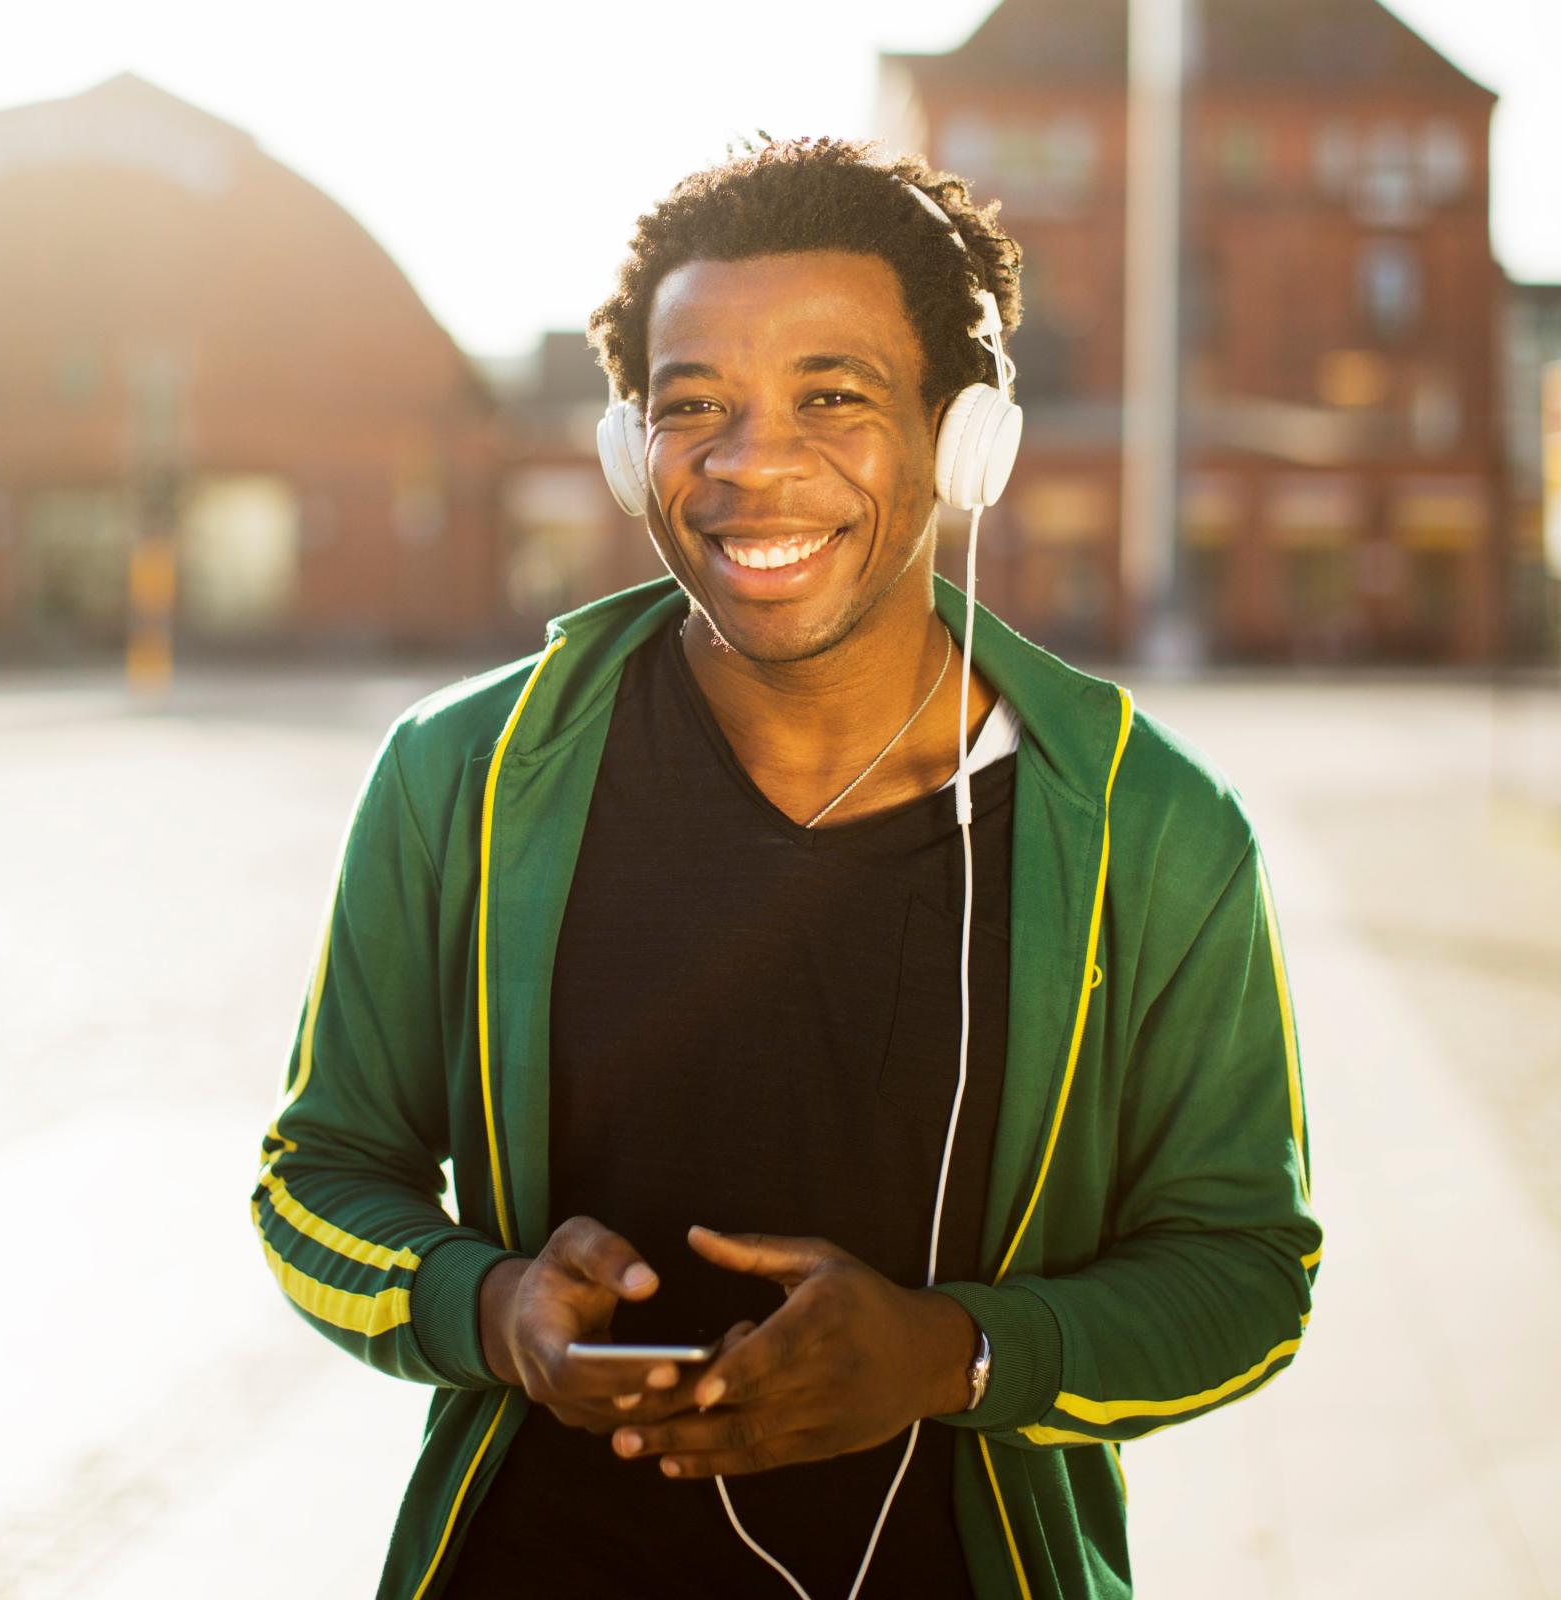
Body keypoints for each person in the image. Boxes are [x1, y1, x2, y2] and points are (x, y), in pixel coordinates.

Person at [252, 138, 1321, 1600]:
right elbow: (317, 1178)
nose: (753, 462)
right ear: (632, 447)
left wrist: (951, 1355)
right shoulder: (462, 780)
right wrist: (492, 1308)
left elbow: (1246, 1279)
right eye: (694, 406)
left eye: (834, 397)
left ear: (962, 440)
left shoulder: (1152, 825)